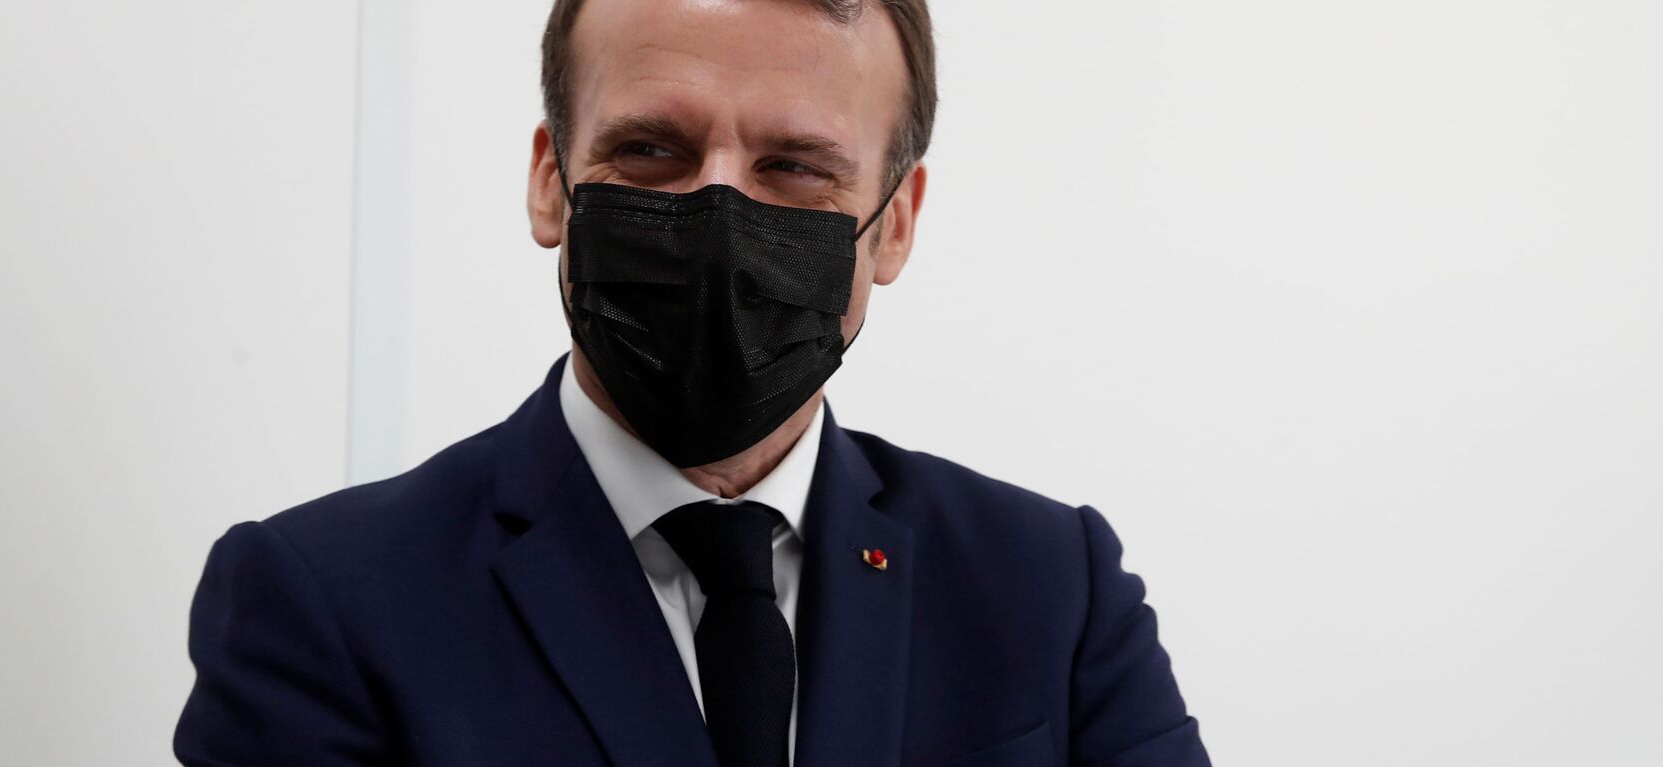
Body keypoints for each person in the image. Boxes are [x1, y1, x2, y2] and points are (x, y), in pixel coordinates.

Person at [174, 0, 1212, 764]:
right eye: (652, 151)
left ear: (894, 222)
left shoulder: (1051, 589)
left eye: (795, 167)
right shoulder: (325, 601)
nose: (718, 211)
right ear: (551, 180)